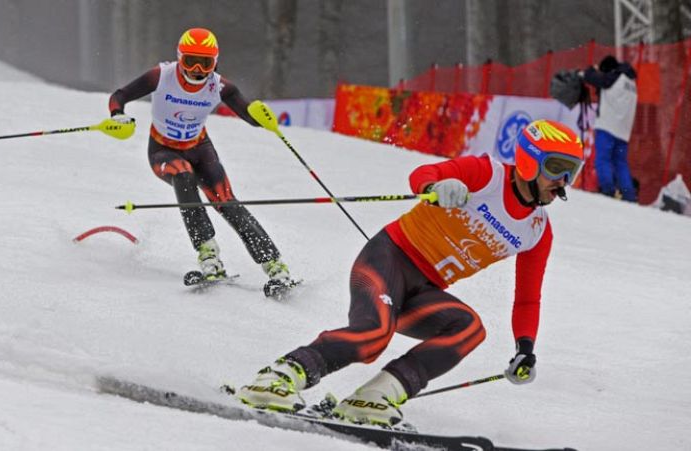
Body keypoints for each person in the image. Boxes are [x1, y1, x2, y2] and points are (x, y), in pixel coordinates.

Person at [236, 119, 585, 427]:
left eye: (573, 170)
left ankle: (375, 396)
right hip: (387, 259)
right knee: (373, 335)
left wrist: (525, 348)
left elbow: (527, 297)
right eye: (556, 168)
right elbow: (423, 175)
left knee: (469, 329)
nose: (564, 181)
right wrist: (434, 188)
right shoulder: (487, 175)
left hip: (423, 290)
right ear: (528, 160)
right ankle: (277, 378)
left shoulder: (537, 231)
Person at [108, 27, 291, 284]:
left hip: (200, 150)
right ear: (179, 58)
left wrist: (263, 118)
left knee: (226, 201)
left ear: (214, 63)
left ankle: (275, 265)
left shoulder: (221, 87)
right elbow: (120, 96)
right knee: (183, 175)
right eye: (190, 61)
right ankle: (209, 256)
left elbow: (250, 116)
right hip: (163, 151)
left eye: (204, 63)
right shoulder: (162, 76)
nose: (196, 70)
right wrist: (118, 115)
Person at [581, 55, 638, 202]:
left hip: (607, 127)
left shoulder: (613, 77)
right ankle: (629, 195)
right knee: (620, 163)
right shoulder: (631, 82)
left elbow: (591, 77)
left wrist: (591, 70)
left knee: (602, 160)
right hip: (624, 131)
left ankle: (607, 191)